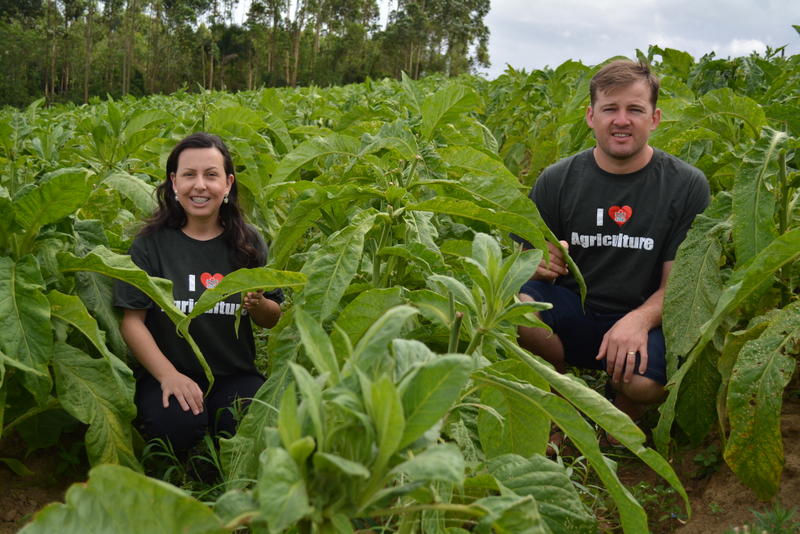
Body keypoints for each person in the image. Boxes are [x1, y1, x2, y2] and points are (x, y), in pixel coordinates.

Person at [515, 60, 710, 437]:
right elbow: (523, 262)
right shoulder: (556, 180)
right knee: (517, 310)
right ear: (591, 116)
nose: (622, 120)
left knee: (645, 384)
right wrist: (535, 263)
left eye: (634, 109)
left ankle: (619, 417)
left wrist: (637, 320)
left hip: (642, 319)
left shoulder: (686, 186)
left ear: (654, 118)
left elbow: (681, 285)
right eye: (610, 108)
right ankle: (560, 395)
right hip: (574, 314)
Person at [114, 132, 283, 454]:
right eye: (189, 175)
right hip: (170, 371)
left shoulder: (249, 243)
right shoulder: (150, 244)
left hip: (234, 374)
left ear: (228, 183)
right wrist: (168, 376)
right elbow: (132, 321)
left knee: (251, 429)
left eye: (211, 175)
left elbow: (271, 318)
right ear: (174, 183)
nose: (200, 186)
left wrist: (259, 304)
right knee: (174, 431)